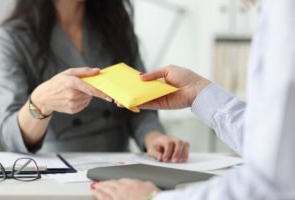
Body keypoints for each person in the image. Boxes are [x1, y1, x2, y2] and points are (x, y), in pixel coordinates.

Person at [91, 1, 295, 199]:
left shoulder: (284, 14)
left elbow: (269, 183)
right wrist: (197, 91)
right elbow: (272, 143)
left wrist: (152, 198)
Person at [0, 0, 189, 163]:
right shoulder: (10, 39)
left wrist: (155, 139)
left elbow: (140, 106)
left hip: (121, 162)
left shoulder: (116, 25)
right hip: (57, 165)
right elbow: (11, 138)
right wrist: (40, 102)